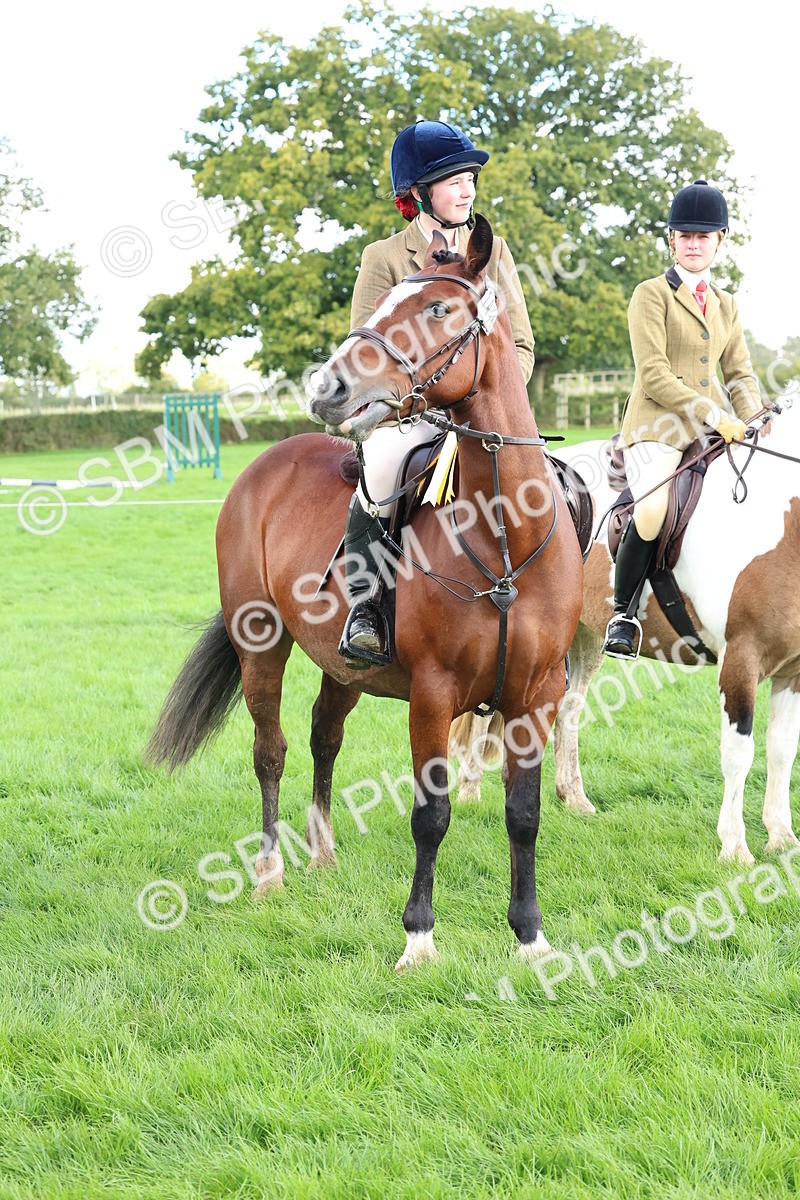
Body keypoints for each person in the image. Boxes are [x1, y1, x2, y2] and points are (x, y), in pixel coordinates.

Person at [339, 118, 536, 668]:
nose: (467, 188)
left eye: (470, 177)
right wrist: (425, 404)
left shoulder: (494, 253)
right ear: (419, 193)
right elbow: (366, 355)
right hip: (411, 416)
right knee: (381, 474)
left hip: (487, 415)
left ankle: (552, 614)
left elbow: (520, 344)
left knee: (554, 483)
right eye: (453, 179)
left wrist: (490, 400)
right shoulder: (384, 258)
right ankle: (368, 608)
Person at [602, 178, 767, 659]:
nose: (694, 245)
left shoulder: (727, 304)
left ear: (720, 241)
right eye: (685, 236)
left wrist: (753, 419)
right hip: (657, 427)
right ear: (672, 240)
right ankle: (623, 612)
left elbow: (738, 372)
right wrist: (715, 414)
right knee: (652, 506)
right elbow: (653, 373)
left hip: (712, 429)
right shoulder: (650, 294)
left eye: (704, 236)